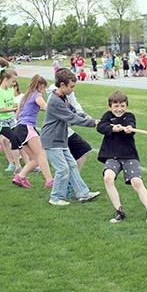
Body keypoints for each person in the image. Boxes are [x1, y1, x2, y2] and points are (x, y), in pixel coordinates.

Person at [96, 91, 147, 223]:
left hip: (129, 155)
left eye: (122, 106)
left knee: (136, 182)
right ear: (110, 106)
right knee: (108, 178)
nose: (119, 109)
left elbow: (131, 125)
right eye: (116, 106)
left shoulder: (129, 116)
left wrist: (128, 128)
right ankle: (119, 211)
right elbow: (101, 127)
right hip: (112, 155)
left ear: (126, 105)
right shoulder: (107, 116)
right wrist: (113, 129)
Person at [41, 68, 100, 206]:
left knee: (72, 165)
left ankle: (83, 194)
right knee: (63, 168)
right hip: (51, 139)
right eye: (71, 87)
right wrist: (92, 123)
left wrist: (88, 117)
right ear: (62, 85)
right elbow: (72, 118)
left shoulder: (63, 97)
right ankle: (55, 198)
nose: (73, 90)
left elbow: (73, 112)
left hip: (61, 138)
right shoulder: (55, 100)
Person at [13, 75, 54, 189]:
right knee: (41, 154)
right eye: (44, 88)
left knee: (35, 159)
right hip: (28, 127)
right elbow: (46, 107)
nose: (44, 90)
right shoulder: (37, 95)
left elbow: (17, 115)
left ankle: (20, 177)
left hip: (19, 129)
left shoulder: (25, 97)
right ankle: (50, 180)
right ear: (41, 86)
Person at [0, 68, 22, 173]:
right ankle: (17, 167)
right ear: (5, 79)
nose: (14, 84)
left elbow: (12, 103)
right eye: (13, 81)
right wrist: (14, 109)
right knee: (13, 138)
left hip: (9, 118)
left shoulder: (10, 90)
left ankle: (17, 164)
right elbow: (1, 109)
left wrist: (16, 105)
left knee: (16, 138)